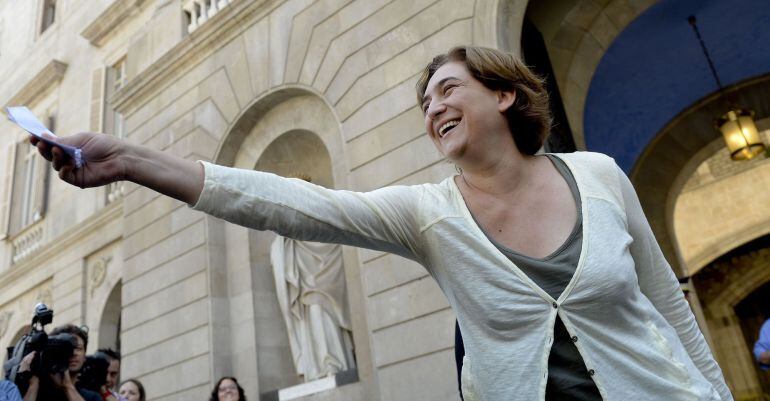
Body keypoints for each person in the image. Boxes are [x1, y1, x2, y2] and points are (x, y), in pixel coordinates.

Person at [30, 45, 732, 400]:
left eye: (448, 89)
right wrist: (128, 158)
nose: (433, 109)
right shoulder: (429, 213)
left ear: (504, 93)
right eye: (425, 102)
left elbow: (669, 309)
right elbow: (285, 201)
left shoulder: (602, 177)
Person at [18, 324, 101, 401]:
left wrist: (67, 386)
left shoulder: (92, 397)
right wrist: (33, 386)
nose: (73, 353)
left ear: (85, 356)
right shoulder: (37, 390)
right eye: (67, 348)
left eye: (78, 348)